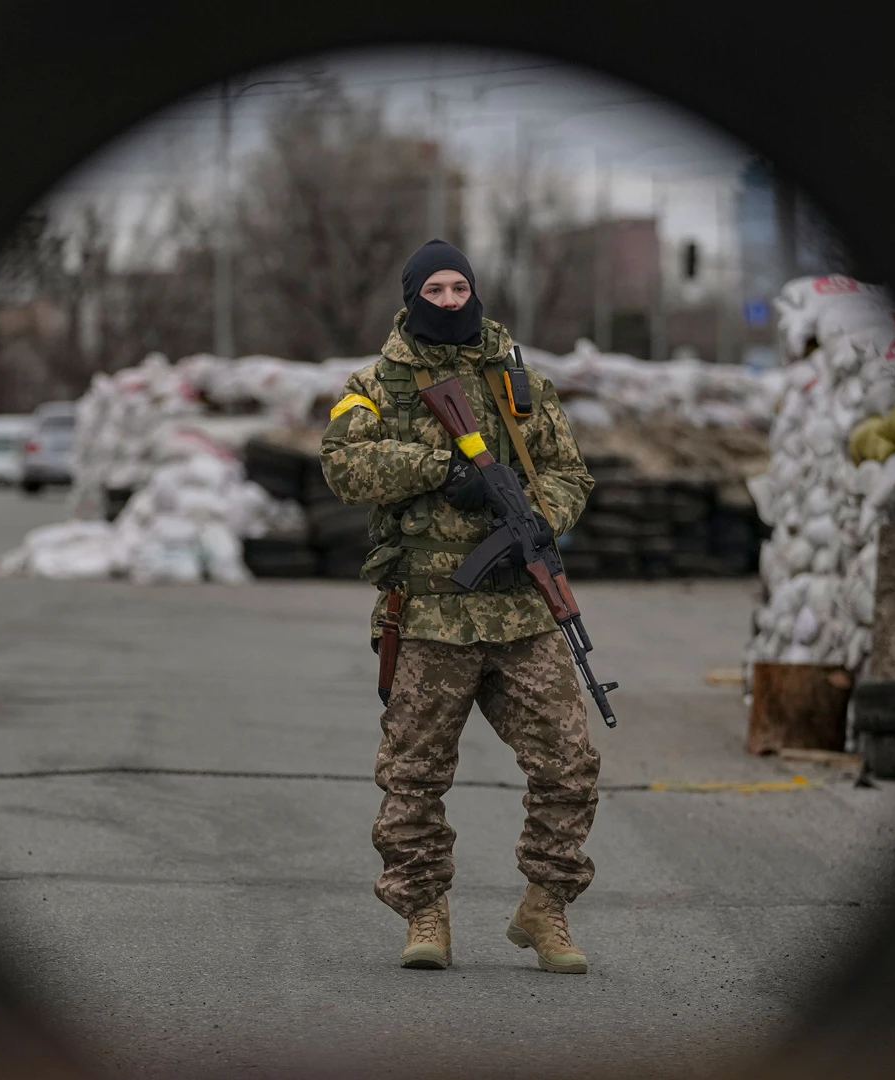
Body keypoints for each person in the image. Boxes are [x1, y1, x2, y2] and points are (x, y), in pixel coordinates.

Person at [320, 238, 600, 974]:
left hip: (521, 615)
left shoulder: (519, 382)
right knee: (414, 777)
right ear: (412, 296)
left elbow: (571, 472)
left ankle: (547, 909)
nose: (450, 300)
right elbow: (342, 464)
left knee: (569, 765)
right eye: (436, 289)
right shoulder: (376, 384)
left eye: (460, 288)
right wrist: (439, 469)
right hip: (431, 618)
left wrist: (543, 517)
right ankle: (423, 911)